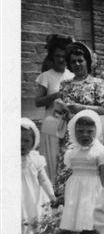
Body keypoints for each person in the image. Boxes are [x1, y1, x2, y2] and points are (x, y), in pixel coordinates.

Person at [54, 41, 104, 199]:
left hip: (90, 133)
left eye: (80, 60)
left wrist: (80, 108)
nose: (77, 64)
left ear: (88, 62)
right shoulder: (65, 84)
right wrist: (61, 109)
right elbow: (60, 110)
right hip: (70, 134)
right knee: (69, 167)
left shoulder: (97, 83)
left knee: (90, 168)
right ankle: (66, 205)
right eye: (73, 61)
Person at [35, 34, 74, 183]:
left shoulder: (72, 75)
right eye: (58, 56)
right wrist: (56, 95)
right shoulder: (46, 76)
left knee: (67, 154)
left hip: (68, 119)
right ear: (52, 57)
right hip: (51, 119)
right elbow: (37, 102)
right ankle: (50, 192)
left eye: (64, 56)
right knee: (52, 155)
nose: (61, 59)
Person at [21, 118, 56, 234]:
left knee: (27, 229)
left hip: (30, 199)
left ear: (33, 141)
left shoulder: (36, 159)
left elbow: (44, 179)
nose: (21, 144)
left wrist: (52, 195)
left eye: (26, 140)